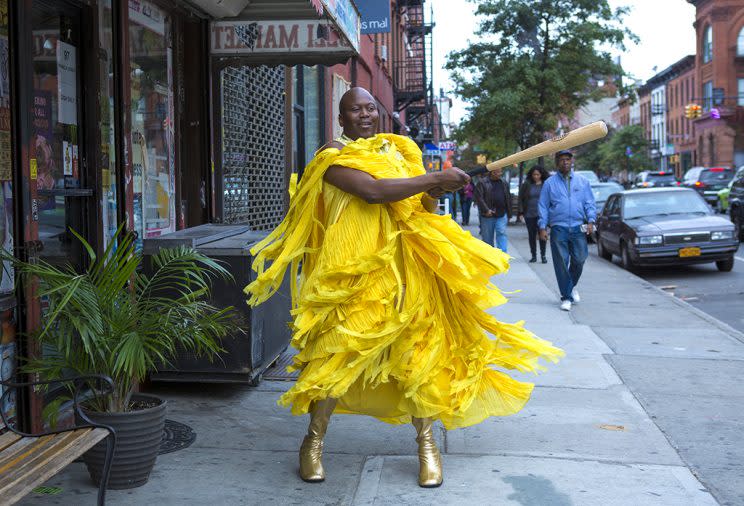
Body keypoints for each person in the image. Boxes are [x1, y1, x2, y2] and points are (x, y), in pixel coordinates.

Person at [245, 87, 562, 488]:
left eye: (370, 108)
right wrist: (433, 177)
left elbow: (415, 206)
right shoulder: (332, 157)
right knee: (335, 356)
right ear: (340, 120)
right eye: (354, 110)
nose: (365, 114)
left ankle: (427, 446)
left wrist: (433, 192)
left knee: (420, 356)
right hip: (355, 276)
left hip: (408, 272)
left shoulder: (397, 154)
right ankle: (313, 441)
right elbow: (372, 193)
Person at [538, 150, 596, 311]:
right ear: (557, 163)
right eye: (562, 160)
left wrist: (591, 220)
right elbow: (543, 205)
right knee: (561, 263)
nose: (565, 162)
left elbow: (589, 202)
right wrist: (542, 226)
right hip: (558, 227)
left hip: (578, 227)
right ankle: (566, 297)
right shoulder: (549, 183)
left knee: (580, 259)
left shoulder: (583, 182)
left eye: (568, 160)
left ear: (572, 162)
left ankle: (570, 286)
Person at [473, 167, 512, 252]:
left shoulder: (503, 182)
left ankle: (502, 255)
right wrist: (486, 210)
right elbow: (479, 198)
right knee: (487, 238)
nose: (500, 174)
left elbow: (508, 197)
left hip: (501, 213)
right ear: (493, 172)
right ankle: (490, 257)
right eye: (498, 172)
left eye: (501, 172)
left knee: (501, 233)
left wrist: (509, 213)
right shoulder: (482, 182)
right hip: (488, 215)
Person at [518, 165, 550, 263]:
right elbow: (521, 198)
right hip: (529, 214)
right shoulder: (527, 184)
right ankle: (534, 256)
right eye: (534, 174)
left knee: (542, 234)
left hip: (542, 215)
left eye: (538, 174)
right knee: (531, 235)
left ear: (541, 174)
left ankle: (543, 256)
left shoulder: (545, 184)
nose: (536, 176)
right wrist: (521, 212)